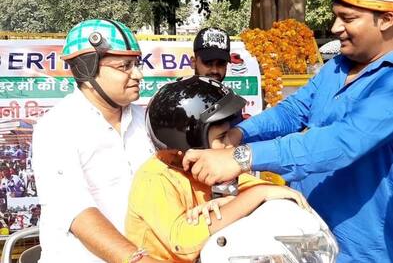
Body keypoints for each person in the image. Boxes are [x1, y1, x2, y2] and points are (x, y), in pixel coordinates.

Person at [181, 0, 393, 262]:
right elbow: (292, 112)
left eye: (348, 18)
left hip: (360, 250)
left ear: (386, 20)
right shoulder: (336, 66)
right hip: (303, 232)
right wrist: (238, 134)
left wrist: (241, 157)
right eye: (335, 16)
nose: (334, 28)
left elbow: (340, 143)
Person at [125, 76, 309, 262]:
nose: (230, 146)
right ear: (190, 141)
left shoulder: (214, 170)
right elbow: (183, 241)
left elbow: (255, 188)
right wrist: (257, 195)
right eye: (222, 138)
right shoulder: (154, 178)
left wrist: (231, 199)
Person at [32, 19, 165, 263]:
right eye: (124, 66)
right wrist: (137, 260)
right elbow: (76, 211)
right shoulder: (56, 128)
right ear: (86, 69)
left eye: (136, 64)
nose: (138, 74)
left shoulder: (146, 120)